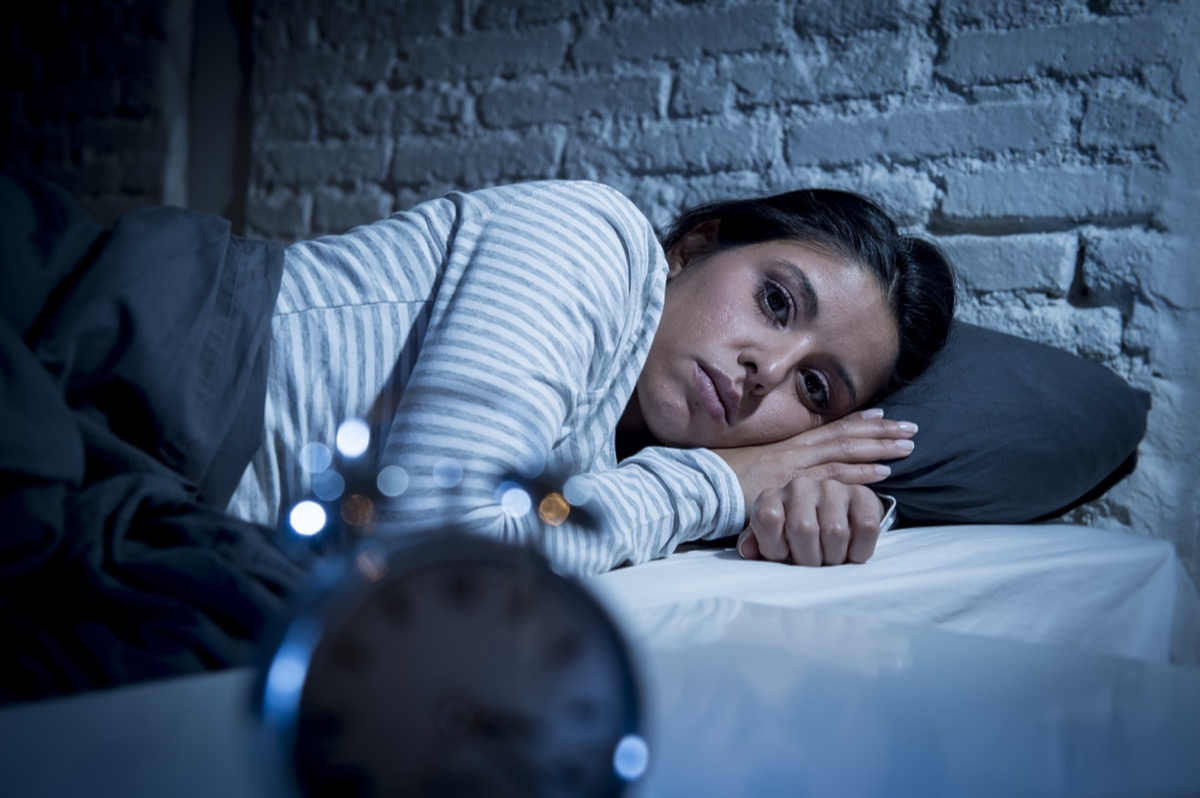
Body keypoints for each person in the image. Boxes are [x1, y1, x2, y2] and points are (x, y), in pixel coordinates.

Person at [228, 179, 955, 576]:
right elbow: (437, 557)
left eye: (815, 389)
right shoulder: (594, 239)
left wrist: (811, 502)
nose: (767, 370)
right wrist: (720, 484)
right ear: (694, 247)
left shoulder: (619, 450)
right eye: (775, 302)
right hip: (182, 357)